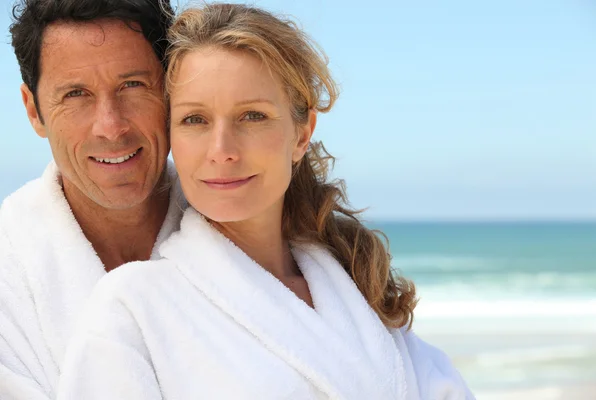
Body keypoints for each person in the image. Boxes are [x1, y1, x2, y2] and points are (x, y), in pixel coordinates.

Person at [57, 4, 475, 400]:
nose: (221, 150)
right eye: (195, 120)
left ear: (301, 133)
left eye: (251, 116)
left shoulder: (354, 287)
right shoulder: (131, 308)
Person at [0, 1, 182, 399]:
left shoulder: (249, 235)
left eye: (132, 85)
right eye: (76, 94)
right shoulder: (7, 275)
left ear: (172, 90)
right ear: (34, 111)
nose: (111, 127)